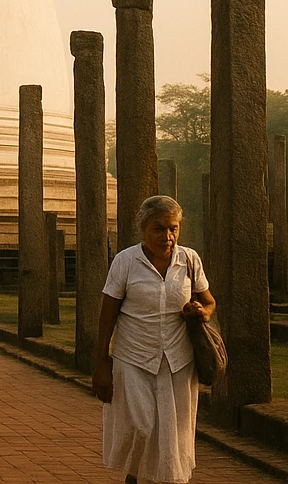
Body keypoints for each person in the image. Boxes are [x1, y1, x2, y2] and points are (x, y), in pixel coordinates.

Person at [93, 195, 216, 484]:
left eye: (173, 228)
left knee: (175, 431)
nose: (168, 236)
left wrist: (202, 311)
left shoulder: (189, 260)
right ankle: (135, 475)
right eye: (159, 229)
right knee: (141, 427)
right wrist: (101, 363)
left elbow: (209, 302)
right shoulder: (126, 261)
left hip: (178, 359)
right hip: (134, 356)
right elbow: (107, 314)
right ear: (144, 229)